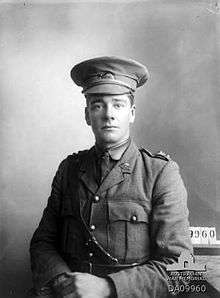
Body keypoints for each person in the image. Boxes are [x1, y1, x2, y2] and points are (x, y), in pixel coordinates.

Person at [29, 56, 193, 298]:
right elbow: (42, 243)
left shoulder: (160, 173)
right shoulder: (69, 170)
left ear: (132, 113)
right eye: (98, 105)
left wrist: (108, 288)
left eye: (118, 105)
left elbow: (184, 270)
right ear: (87, 115)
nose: (108, 115)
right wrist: (64, 282)